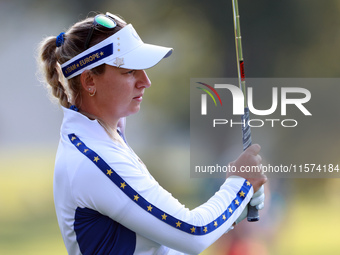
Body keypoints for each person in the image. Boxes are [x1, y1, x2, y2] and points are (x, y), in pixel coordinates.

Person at [38, 12, 267, 255]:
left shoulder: (103, 138)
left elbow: (161, 246)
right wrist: (239, 185)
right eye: (129, 71)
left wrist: (232, 213)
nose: (145, 81)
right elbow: (193, 233)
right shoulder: (95, 159)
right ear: (89, 81)